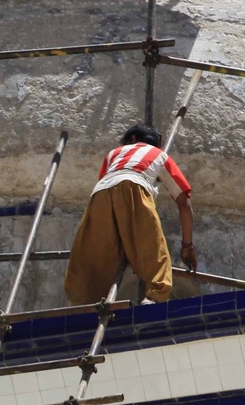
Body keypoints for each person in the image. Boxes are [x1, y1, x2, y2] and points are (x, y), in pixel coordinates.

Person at [65, 122, 198, 306]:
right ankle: (154, 297)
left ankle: (84, 303)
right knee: (154, 249)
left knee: (96, 255)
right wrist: (187, 245)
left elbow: (109, 186)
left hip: (100, 194)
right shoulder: (159, 155)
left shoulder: (112, 154)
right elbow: (184, 203)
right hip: (135, 187)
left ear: (132, 139)